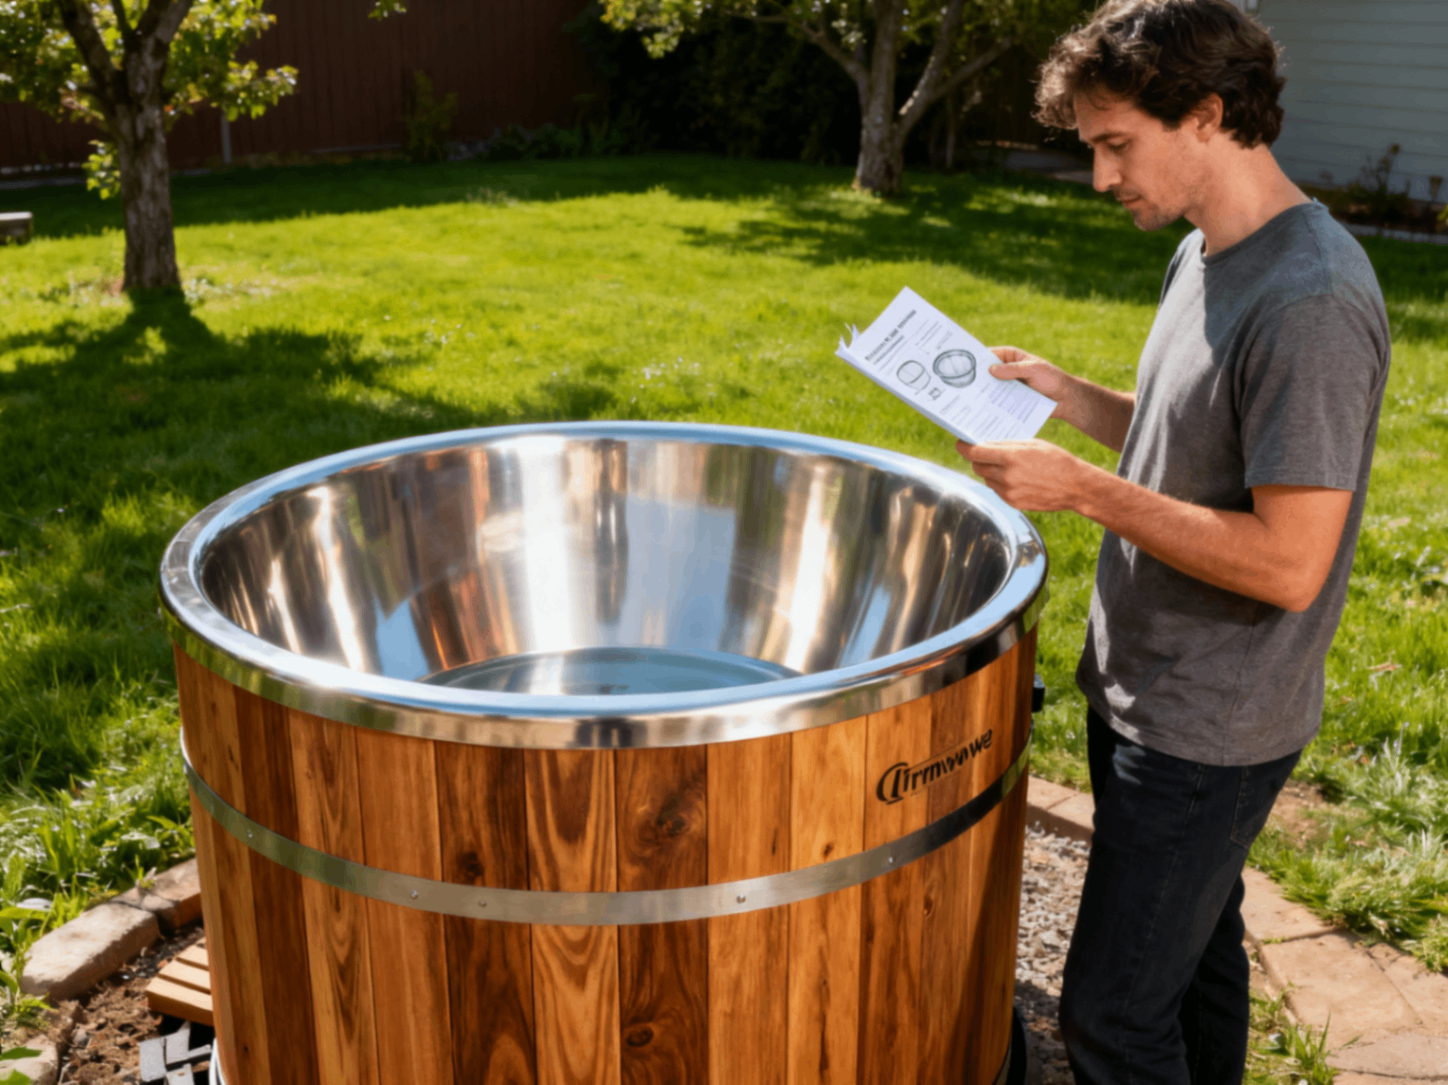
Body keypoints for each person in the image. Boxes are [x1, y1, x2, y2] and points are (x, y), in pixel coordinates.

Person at [955, 1, 1391, 1082]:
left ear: (1204, 114)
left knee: (1107, 1017)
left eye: (1115, 145)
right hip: (1144, 685)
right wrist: (1063, 396)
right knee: (1192, 966)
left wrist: (1084, 493)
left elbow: (1288, 562)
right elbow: (1186, 438)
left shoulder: (1309, 301)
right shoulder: (1207, 249)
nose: (1101, 177)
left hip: (1206, 727)